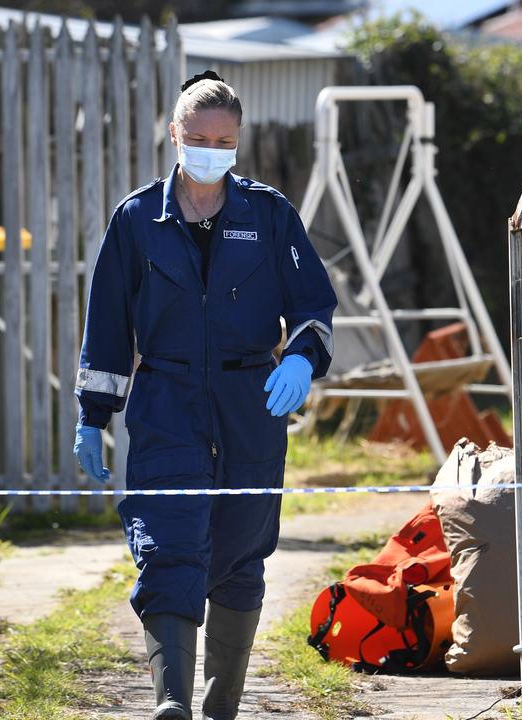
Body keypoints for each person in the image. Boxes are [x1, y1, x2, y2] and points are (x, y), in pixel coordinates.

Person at [72, 71, 337, 720]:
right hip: (167, 402)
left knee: (241, 555)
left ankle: (220, 710)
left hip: (251, 406)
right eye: (198, 138)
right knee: (170, 544)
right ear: (174, 135)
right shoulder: (137, 220)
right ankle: (172, 704)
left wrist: (301, 359)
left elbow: (314, 307)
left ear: (239, 141)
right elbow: (107, 326)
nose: (211, 149)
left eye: (225, 140)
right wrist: (92, 415)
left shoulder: (270, 215)